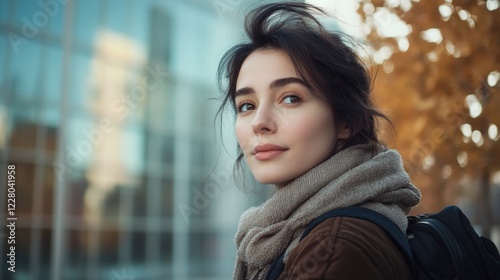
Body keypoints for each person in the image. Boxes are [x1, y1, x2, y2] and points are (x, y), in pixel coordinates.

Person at [216, 2, 422, 279]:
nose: (259, 122)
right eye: (246, 105)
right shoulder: (292, 233)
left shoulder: (333, 250)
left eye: (291, 98)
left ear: (346, 121)